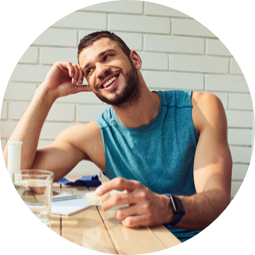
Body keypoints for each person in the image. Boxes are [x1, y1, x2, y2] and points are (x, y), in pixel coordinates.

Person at [3, 31, 232, 243]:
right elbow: (16, 176)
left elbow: (218, 204)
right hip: (133, 244)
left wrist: (166, 206)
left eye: (107, 57)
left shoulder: (200, 109)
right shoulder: (92, 137)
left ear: (135, 60)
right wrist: (46, 93)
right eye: (89, 70)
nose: (100, 70)